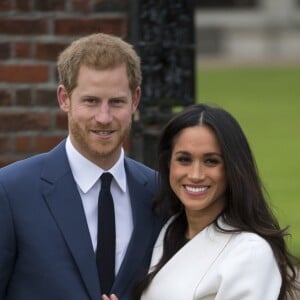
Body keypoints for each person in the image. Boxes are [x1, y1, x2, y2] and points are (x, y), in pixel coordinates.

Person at [0, 33, 162, 300]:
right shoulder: (11, 191)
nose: (104, 117)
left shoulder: (158, 193)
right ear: (64, 98)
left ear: (135, 100)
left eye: (117, 102)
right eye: (91, 101)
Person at [129, 103, 299, 300]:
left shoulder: (250, 252)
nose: (195, 175)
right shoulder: (168, 229)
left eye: (211, 161)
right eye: (184, 159)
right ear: (169, 164)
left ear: (232, 169)